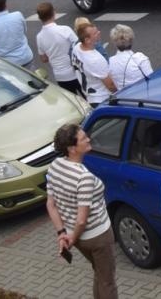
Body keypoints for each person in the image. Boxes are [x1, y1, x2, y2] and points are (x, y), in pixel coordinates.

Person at [46, 123, 117, 299]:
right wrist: (71, 239)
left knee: (99, 274)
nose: (88, 139)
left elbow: (50, 205)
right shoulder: (84, 177)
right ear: (72, 148)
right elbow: (81, 220)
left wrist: (62, 234)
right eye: (84, 138)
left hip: (77, 238)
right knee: (107, 281)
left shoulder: (55, 166)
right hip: (98, 237)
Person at [35, 3, 81, 94]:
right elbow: (79, 47)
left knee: (74, 102)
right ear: (54, 13)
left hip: (60, 76)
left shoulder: (39, 37)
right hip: (75, 72)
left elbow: (43, 59)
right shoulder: (65, 29)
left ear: (40, 17)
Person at [72, 23, 113, 106]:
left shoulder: (76, 48)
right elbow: (110, 86)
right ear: (87, 40)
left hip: (90, 96)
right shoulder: (96, 59)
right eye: (95, 33)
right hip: (102, 99)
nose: (99, 32)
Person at [106, 26, 153, 92]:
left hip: (123, 98)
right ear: (131, 40)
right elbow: (152, 80)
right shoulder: (140, 58)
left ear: (114, 42)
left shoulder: (110, 62)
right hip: (143, 96)